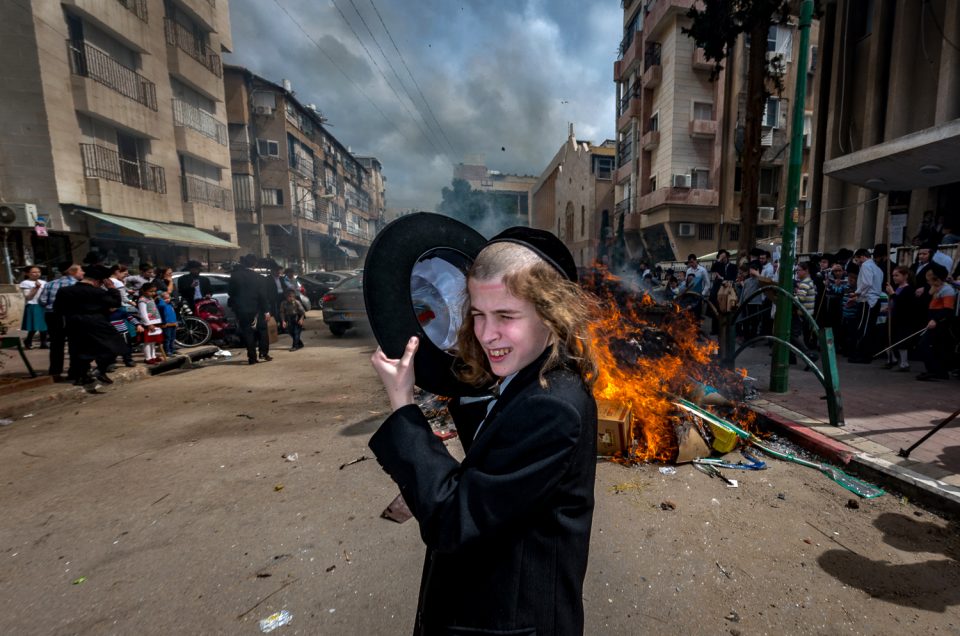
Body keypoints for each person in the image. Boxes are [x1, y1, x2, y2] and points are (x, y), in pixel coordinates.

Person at [369, 228, 598, 636]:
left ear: (551, 316)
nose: (486, 333)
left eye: (506, 316)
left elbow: (454, 522)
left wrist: (403, 405)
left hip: (510, 622)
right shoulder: (534, 379)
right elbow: (490, 467)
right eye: (477, 313)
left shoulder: (552, 407)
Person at [53, 264, 126, 388]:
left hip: (73, 322)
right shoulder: (98, 292)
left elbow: (58, 309)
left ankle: (81, 377)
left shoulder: (65, 291)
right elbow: (115, 303)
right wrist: (112, 289)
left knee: (78, 350)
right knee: (116, 344)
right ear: (97, 281)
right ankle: (100, 369)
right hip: (97, 322)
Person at [38, 263, 82, 379]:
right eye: (80, 270)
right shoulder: (77, 285)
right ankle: (74, 371)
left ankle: (55, 371)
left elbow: (42, 301)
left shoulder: (49, 284)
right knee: (75, 343)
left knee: (56, 344)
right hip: (71, 316)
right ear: (73, 272)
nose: (83, 272)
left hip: (52, 315)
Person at [229, 254, 272, 365]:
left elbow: (231, 293)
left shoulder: (234, 276)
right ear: (255, 264)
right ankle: (263, 353)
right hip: (257, 309)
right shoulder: (260, 278)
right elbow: (263, 296)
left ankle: (252, 358)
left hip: (242, 309)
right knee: (262, 330)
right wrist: (267, 310)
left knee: (247, 332)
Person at [916, 264, 956, 381]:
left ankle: (936, 371)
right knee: (935, 347)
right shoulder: (933, 289)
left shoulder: (947, 290)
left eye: (930, 279)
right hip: (932, 319)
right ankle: (936, 371)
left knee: (926, 344)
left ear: (937, 279)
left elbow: (948, 309)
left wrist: (936, 320)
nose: (927, 281)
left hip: (940, 322)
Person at [848, 248, 883, 363]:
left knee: (863, 328)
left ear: (862, 256)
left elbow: (867, 283)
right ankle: (865, 353)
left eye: (857, 259)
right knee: (869, 327)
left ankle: (861, 354)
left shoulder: (866, 266)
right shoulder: (877, 268)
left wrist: (857, 293)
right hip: (873, 300)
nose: (856, 262)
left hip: (868, 300)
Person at [883, 266, 919, 372]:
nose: (894, 277)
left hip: (903, 319)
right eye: (893, 275)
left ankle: (904, 363)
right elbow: (895, 302)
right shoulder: (897, 288)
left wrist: (892, 294)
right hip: (893, 317)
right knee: (886, 338)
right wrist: (889, 306)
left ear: (905, 276)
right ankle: (892, 359)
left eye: (897, 275)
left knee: (901, 342)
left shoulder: (908, 289)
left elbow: (903, 304)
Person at [19, 266, 48, 349]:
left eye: (38, 271)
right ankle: (28, 340)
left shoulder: (44, 282)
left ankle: (43, 343)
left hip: (43, 305)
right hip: (33, 304)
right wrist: (36, 288)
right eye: (34, 272)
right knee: (34, 325)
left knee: (44, 325)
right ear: (27, 273)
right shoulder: (25, 283)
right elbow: (28, 297)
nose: (37, 273)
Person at [137, 282, 164, 364]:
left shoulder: (151, 298)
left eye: (154, 291)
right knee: (148, 342)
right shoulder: (142, 300)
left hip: (155, 322)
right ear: (144, 291)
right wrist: (148, 324)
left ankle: (153, 356)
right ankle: (148, 358)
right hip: (149, 324)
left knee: (153, 341)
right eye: (151, 291)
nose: (153, 293)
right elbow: (143, 314)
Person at [157, 291, 178, 357]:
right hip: (166, 325)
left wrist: (176, 322)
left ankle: (172, 350)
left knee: (172, 338)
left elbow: (173, 314)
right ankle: (167, 351)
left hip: (173, 323)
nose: (167, 300)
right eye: (165, 299)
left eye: (168, 298)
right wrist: (160, 299)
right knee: (167, 338)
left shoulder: (170, 305)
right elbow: (161, 305)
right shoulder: (162, 306)